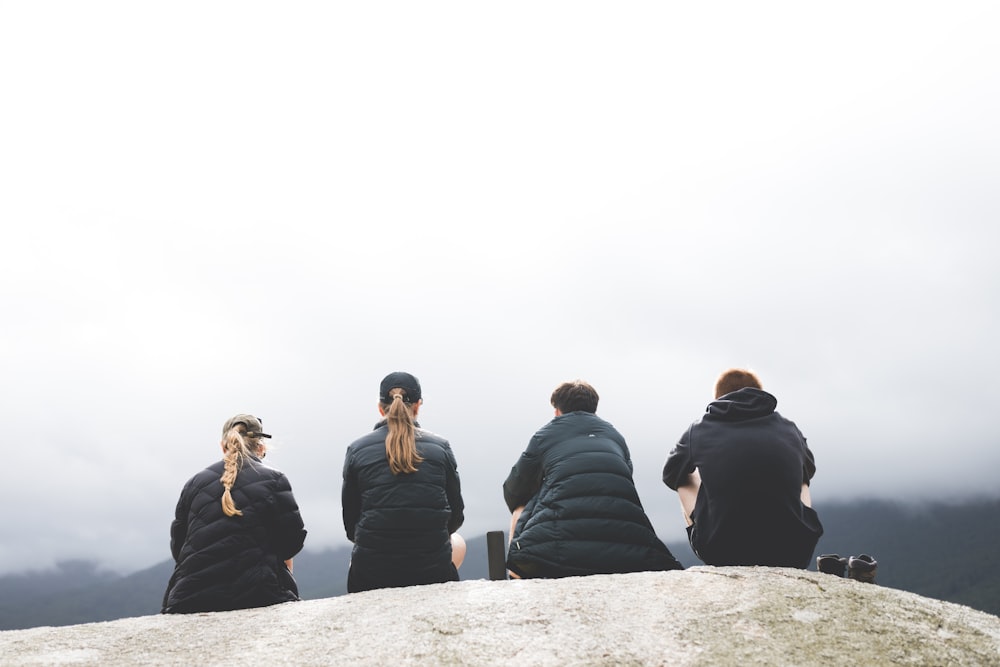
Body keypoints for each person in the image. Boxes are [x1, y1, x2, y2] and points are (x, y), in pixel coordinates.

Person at [503, 380, 683, 578]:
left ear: (557, 411)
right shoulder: (615, 436)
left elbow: (516, 487)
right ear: (594, 409)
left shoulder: (545, 435)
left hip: (557, 546)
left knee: (521, 505)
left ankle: (516, 578)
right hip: (628, 543)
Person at [662, 369, 823, 568]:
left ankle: (706, 528)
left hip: (722, 552)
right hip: (794, 552)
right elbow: (810, 469)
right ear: (759, 393)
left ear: (718, 398)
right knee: (802, 476)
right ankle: (797, 531)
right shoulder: (789, 429)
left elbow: (670, 474)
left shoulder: (700, 429)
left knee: (684, 475)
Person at [163, 414, 306, 614]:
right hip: (260, 594)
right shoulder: (275, 479)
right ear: (261, 448)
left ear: (223, 446)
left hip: (189, 597)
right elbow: (292, 542)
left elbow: (179, 546)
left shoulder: (194, 484)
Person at [342, 371, 466, 593]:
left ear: (381, 408)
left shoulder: (356, 450)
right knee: (458, 541)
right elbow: (456, 516)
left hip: (371, 575)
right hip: (432, 571)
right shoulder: (441, 447)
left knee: (358, 556)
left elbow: (351, 525)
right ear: (418, 406)